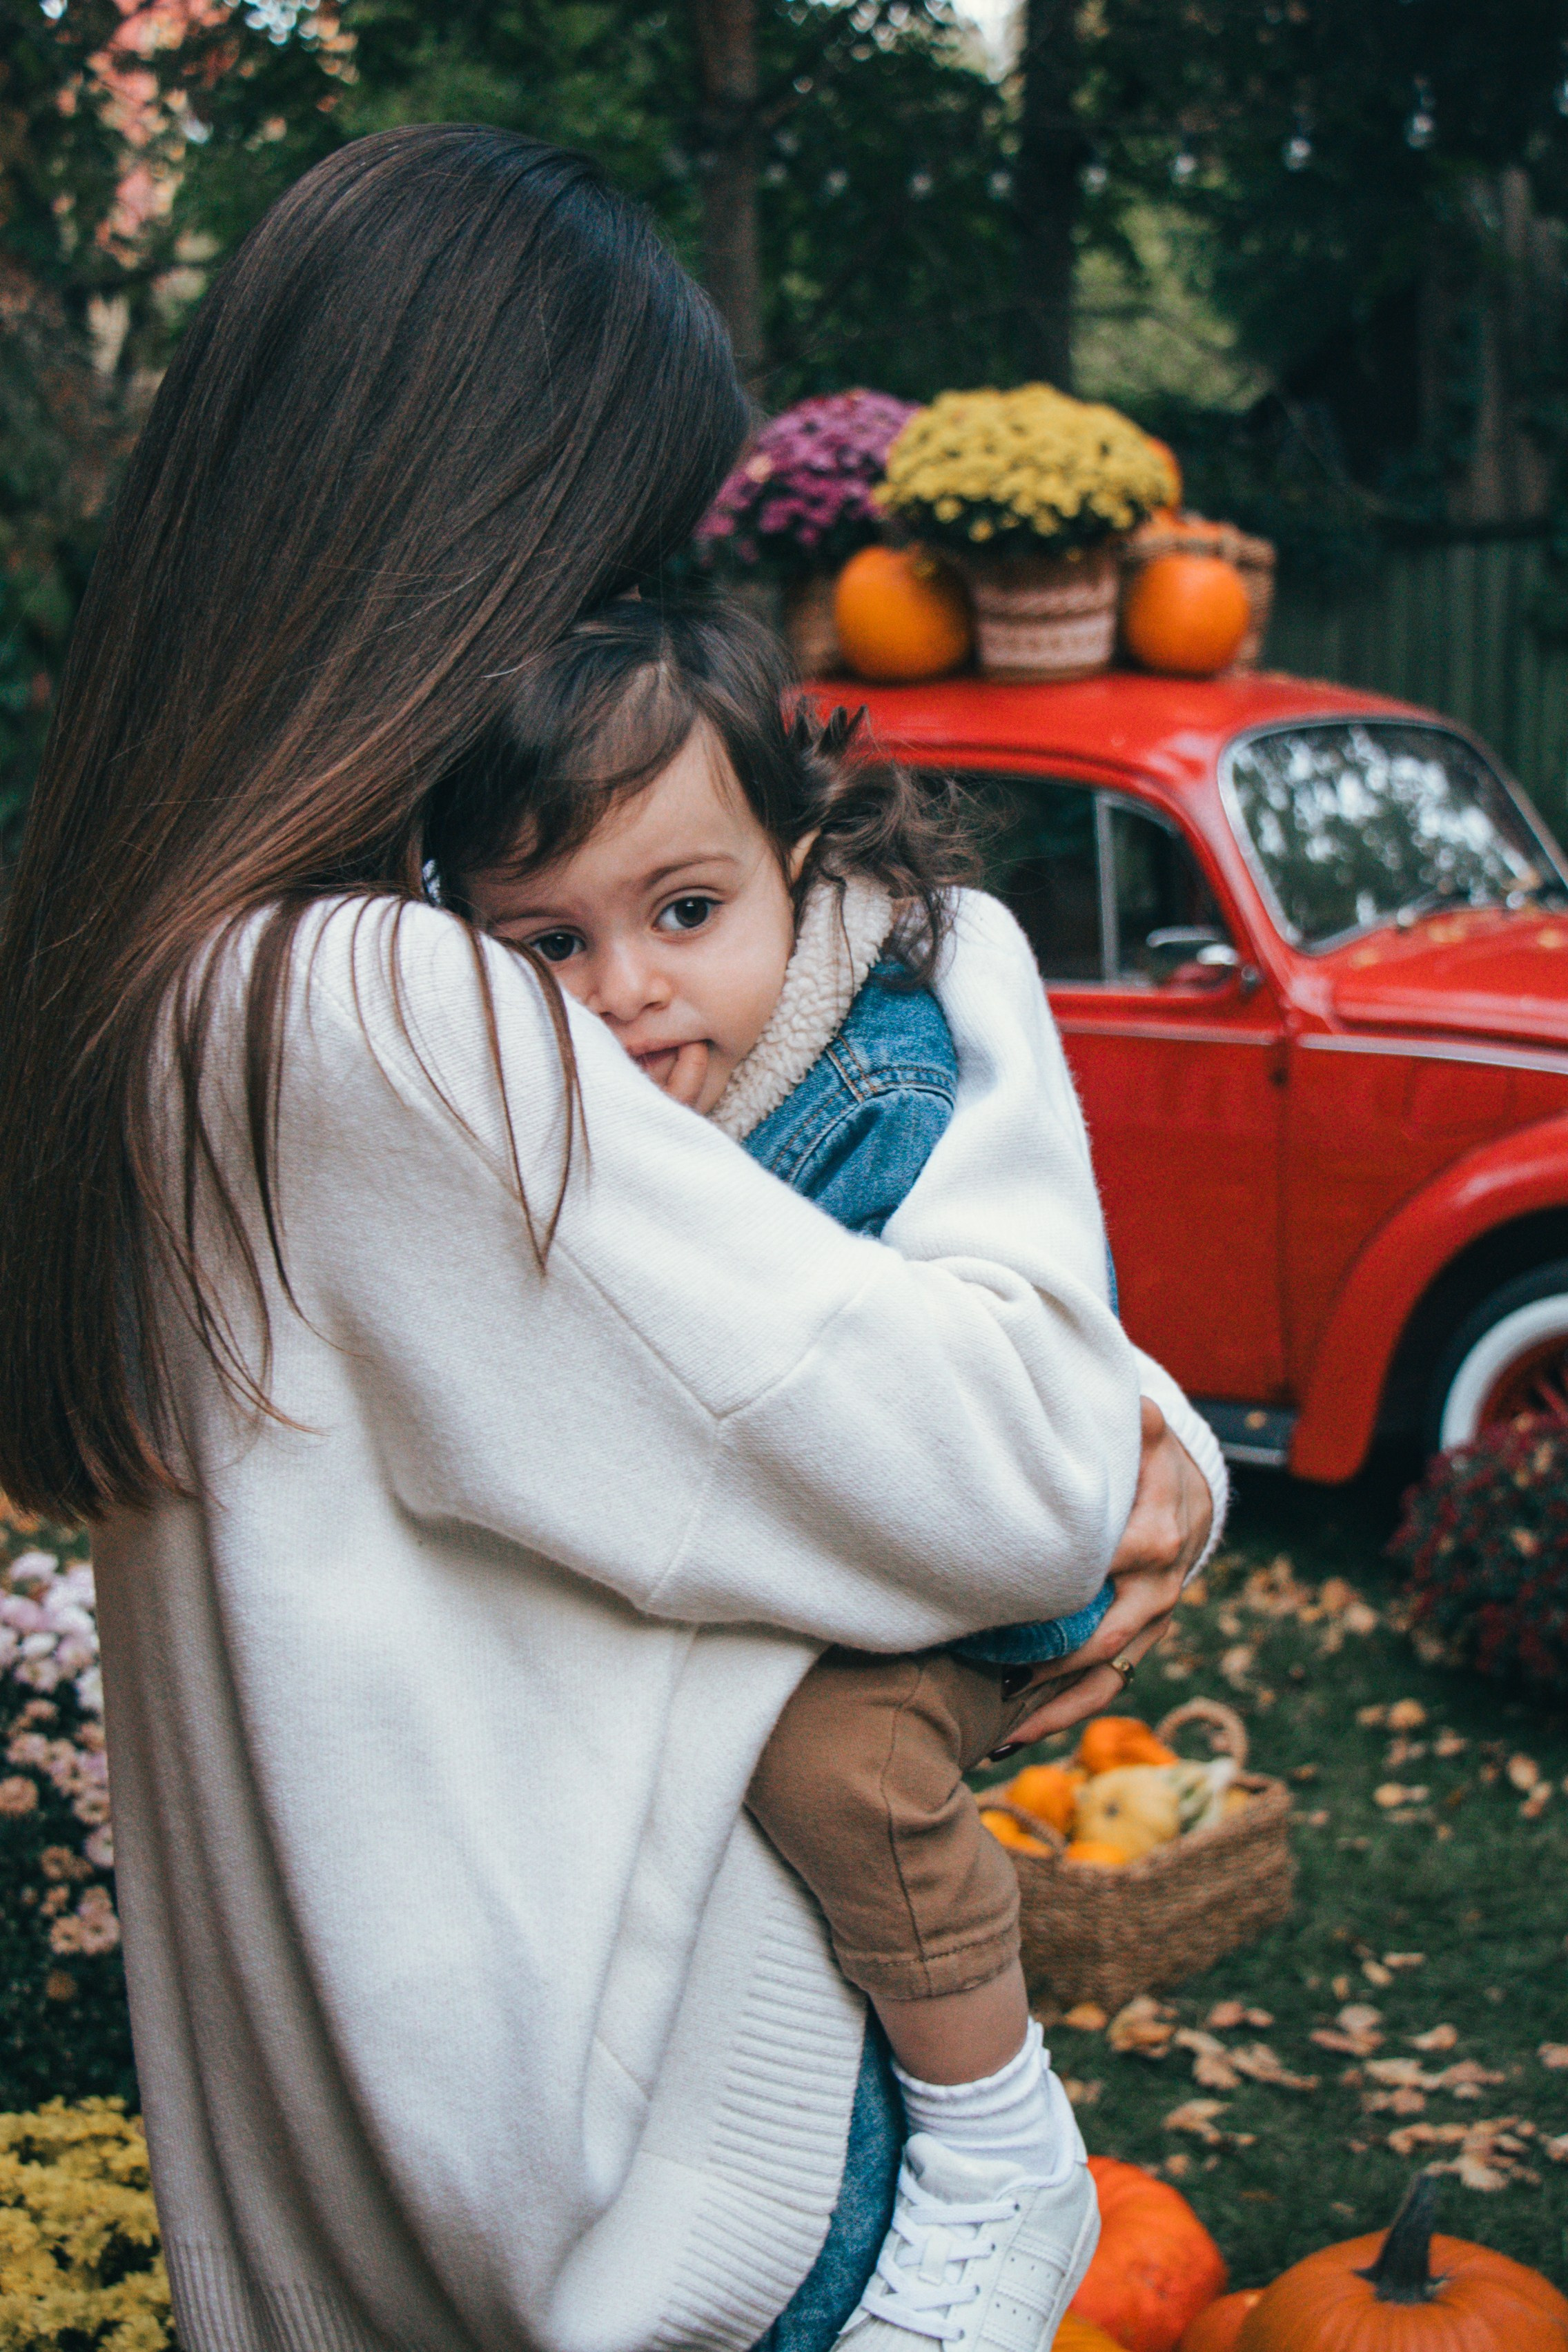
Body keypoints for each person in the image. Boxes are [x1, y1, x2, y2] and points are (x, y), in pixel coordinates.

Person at [0, 128, 1215, 2352]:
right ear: (463, 541)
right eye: (602, 546)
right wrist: (1145, 1435)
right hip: (637, 2232)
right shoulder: (368, 1010)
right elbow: (1014, 1477)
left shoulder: (160, 998)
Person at [435, 595, 1226, 2350]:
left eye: (686, 913)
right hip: (803, 1569)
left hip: (960, 1566)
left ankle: (996, 2135)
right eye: (546, 943)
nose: (628, 990)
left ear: (794, 861)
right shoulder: (514, 1104)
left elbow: (1004, 1370)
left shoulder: (877, 1060)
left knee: (836, 1764)